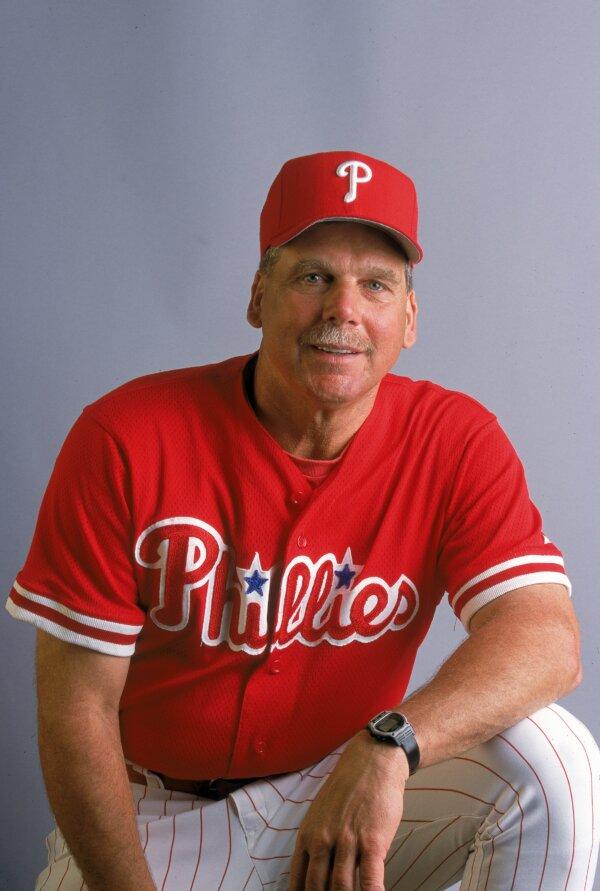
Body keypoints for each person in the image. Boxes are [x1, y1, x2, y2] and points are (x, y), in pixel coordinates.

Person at [6, 150, 599, 891]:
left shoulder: (455, 437)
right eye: (313, 276)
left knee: (557, 762)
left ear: (408, 316)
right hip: (152, 817)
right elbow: (77, 712)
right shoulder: (127, 436)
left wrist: (390, 744)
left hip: (340, 789)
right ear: (258, 296)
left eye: (375, 284)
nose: (342, 310)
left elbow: (546, 639)